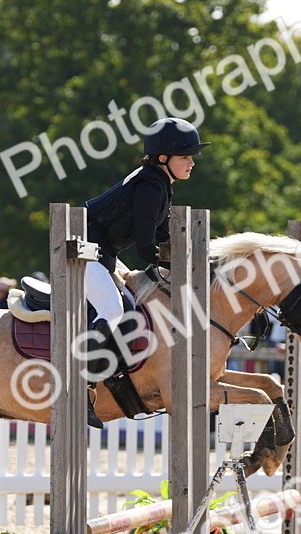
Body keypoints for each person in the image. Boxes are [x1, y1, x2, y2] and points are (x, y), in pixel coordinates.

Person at [80, 116, 207, 427]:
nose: (192, 163)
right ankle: (79, 389)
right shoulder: (149, 187)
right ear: (164, 158)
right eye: (185, 157)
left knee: (128, 305)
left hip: (101, 252)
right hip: (80, 250)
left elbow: (163, 240)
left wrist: (189, 264)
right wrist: (179, 270)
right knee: (112, 311)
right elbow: (147, 250)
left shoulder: (159, 184)